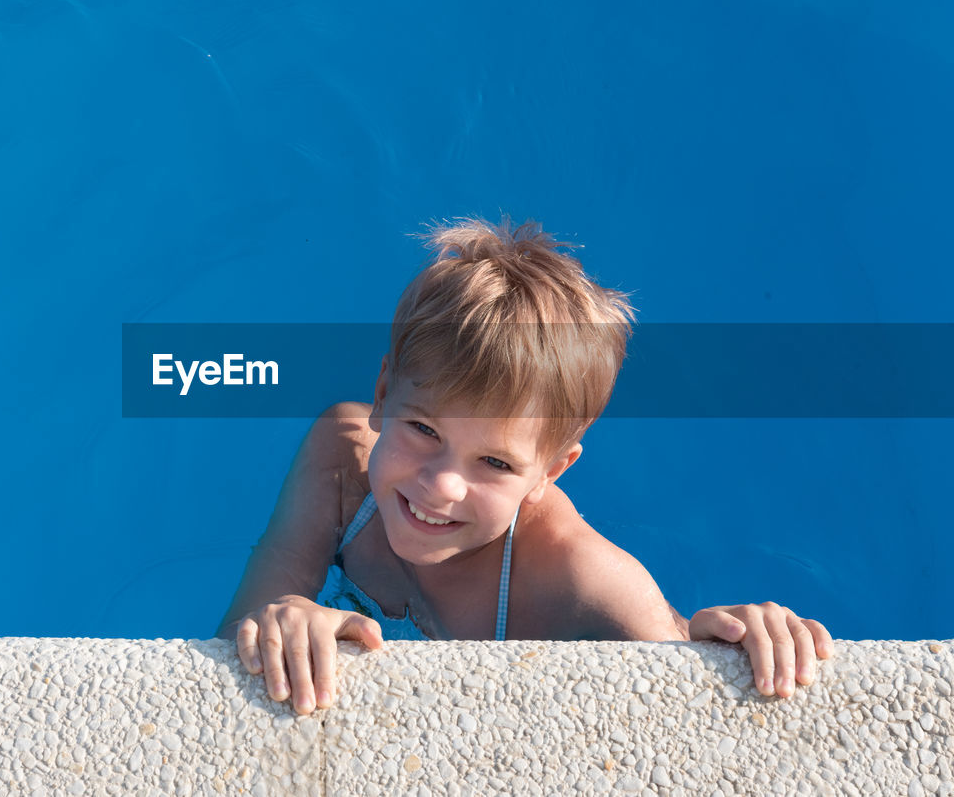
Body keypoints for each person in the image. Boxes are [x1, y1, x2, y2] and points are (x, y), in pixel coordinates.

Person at [216, 216, 833, 716]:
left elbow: (684, 689)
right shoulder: (340, 460)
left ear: (550, 473)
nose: (441, 485)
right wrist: (282, 620)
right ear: (382, 397)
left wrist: (729, 639)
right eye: (424, 429)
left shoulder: (573, 572)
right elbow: (238, 631)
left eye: (494, 461)